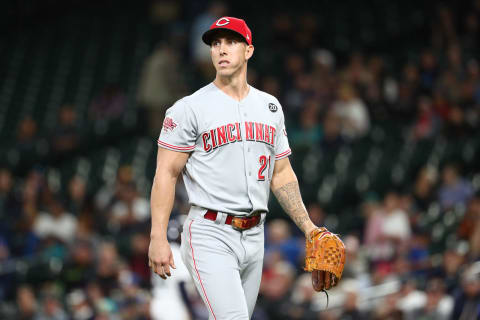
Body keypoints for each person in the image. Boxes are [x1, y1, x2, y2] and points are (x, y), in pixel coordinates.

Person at [148, 17, 331, 319]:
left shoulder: (270, 106)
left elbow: (281, 173)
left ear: (248, 50)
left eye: (231, 42)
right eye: (215, 43)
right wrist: (157, 236)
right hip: (210, 232)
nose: (221, 49)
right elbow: (165, 174)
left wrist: (309, 227)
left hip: (256, 236)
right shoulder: (188, 108)